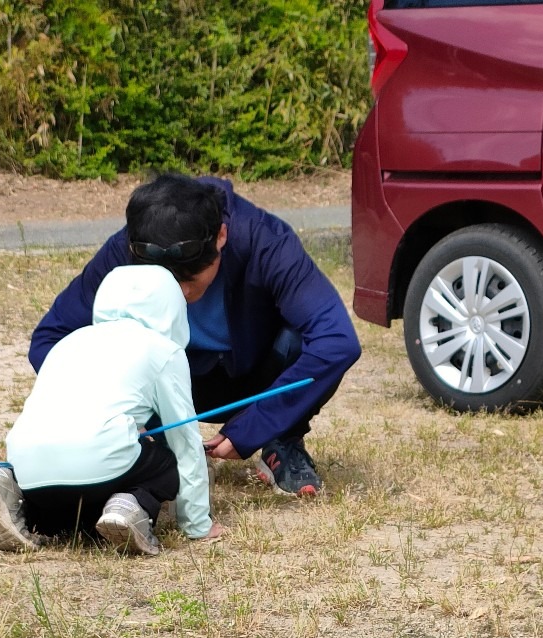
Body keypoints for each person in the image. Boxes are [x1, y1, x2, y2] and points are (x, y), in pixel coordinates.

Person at [29, 173, 361, 497]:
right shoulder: (125, 250)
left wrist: (257, 425)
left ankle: (282, 440)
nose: (180, 293)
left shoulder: (265, 240)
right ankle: (157, 447)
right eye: (164, 281)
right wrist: (115, 415)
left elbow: (338, 340)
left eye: (191, 277)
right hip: (167, 387)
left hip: (258, 383)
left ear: (221, 236)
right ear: (135, 249)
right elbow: (51, 337)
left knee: (304, 338)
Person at [0, 265, 222, 553]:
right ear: (172, 308)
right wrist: (198, 524)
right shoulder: (163, 349)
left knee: (71, 521)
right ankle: (131, 504)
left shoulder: (68, 342)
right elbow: (184, 441)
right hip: (103, 460)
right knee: (166, 462)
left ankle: (18, 501)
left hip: (29, 465)